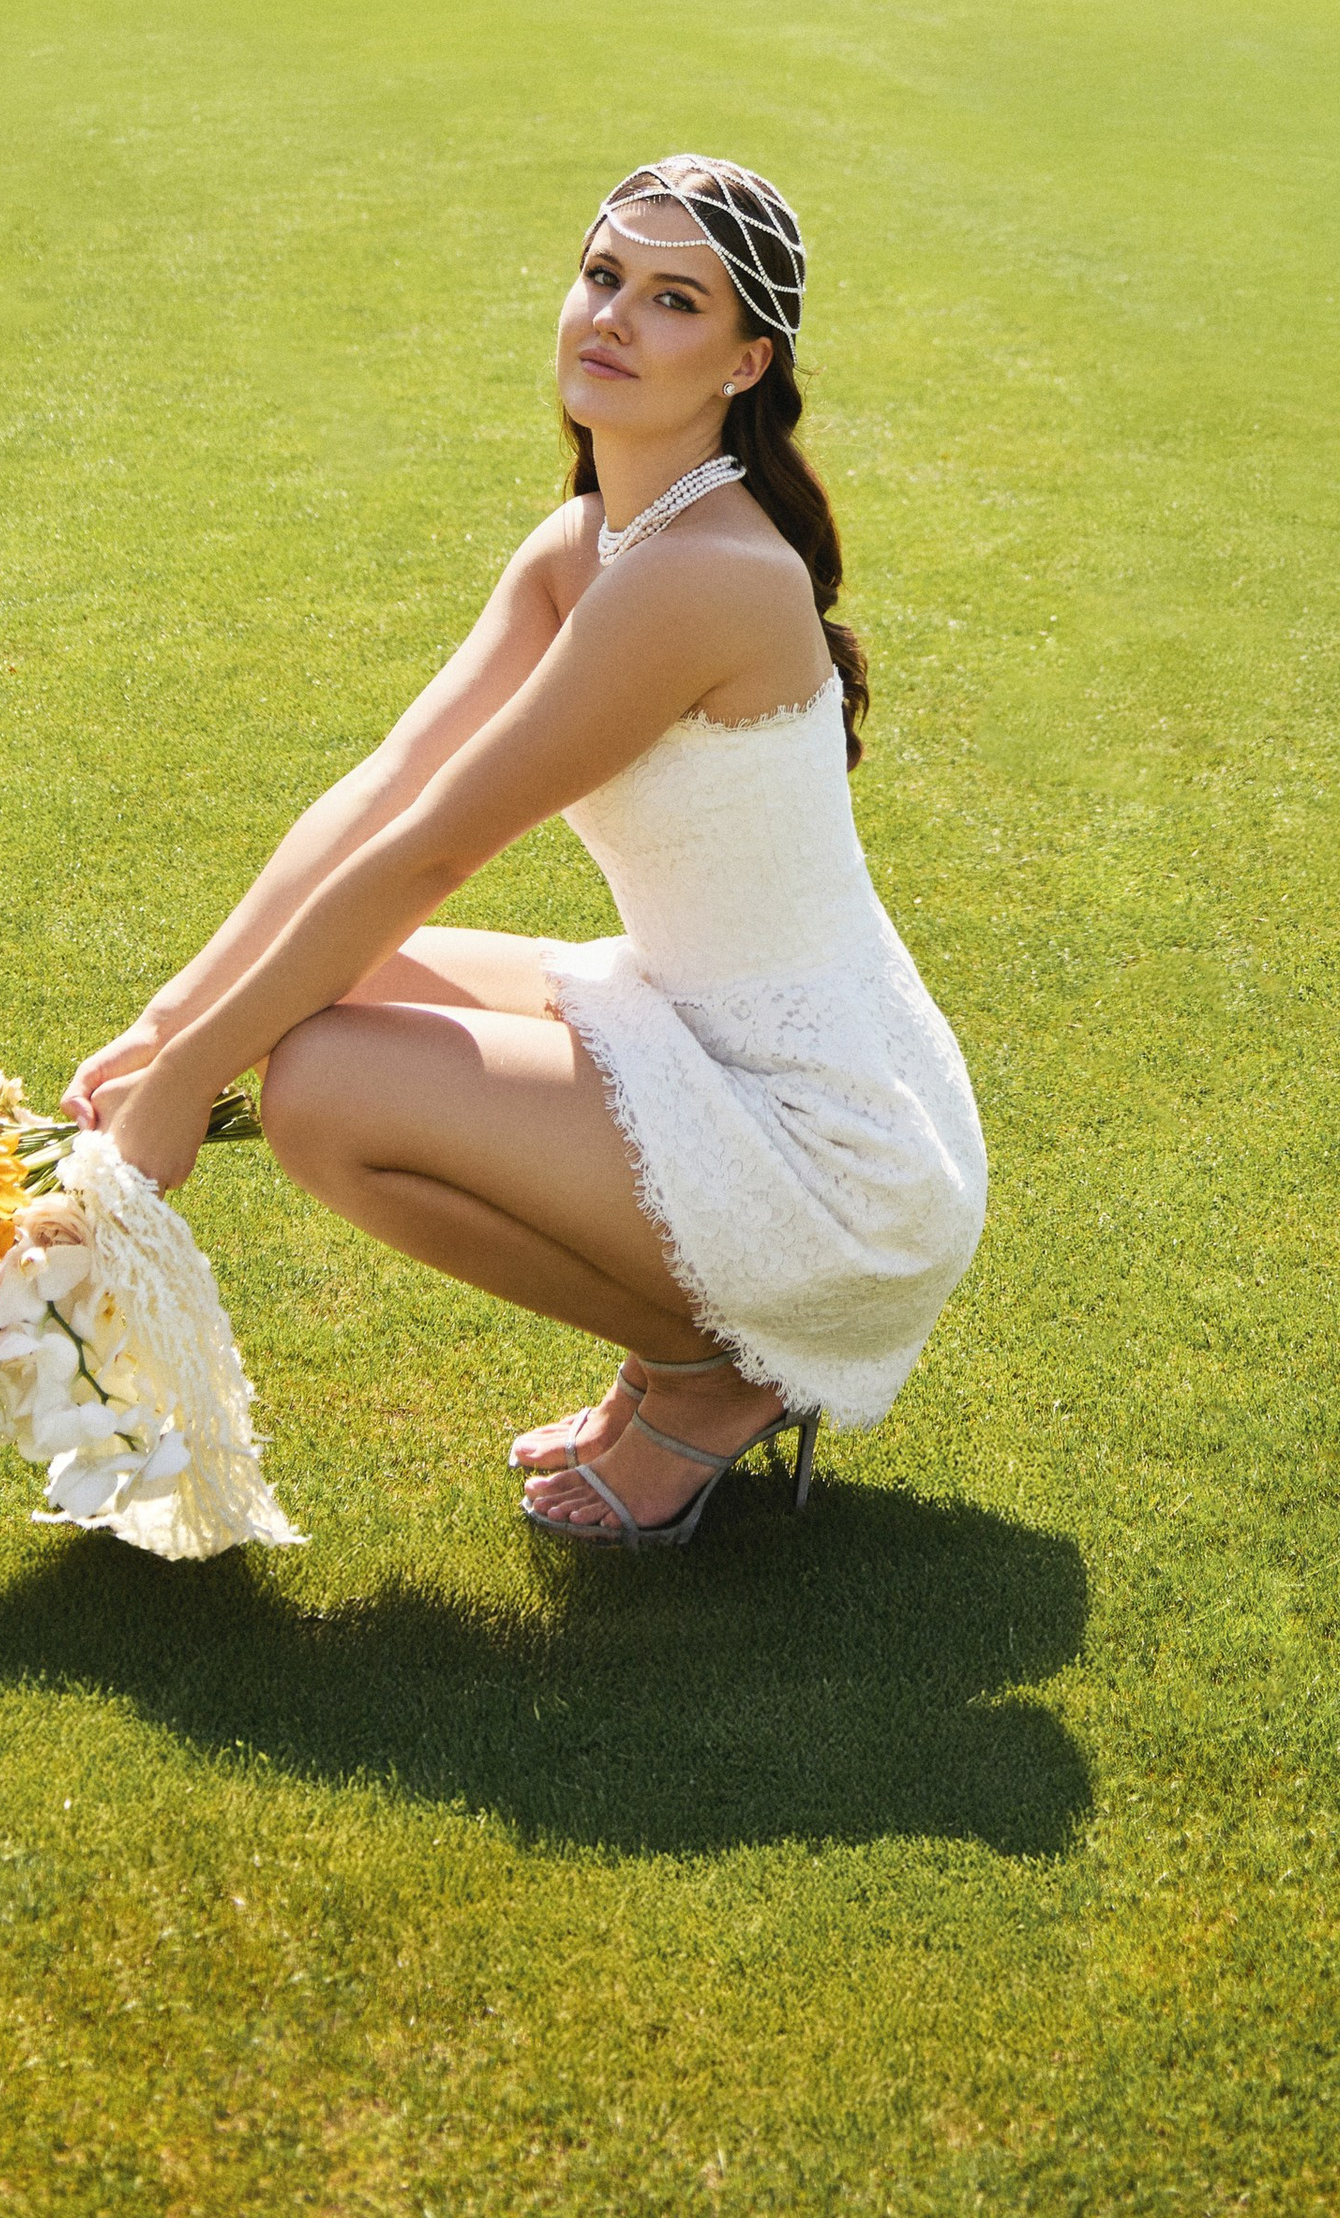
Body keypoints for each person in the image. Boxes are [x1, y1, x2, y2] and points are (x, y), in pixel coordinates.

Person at [64, 155, 987, 1550]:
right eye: (604, 276)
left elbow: (435, 845)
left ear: (744, 363)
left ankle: (710, 1380)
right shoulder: (588, 544)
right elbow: (378, 791)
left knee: (318, 1089)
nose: (613, 317)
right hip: (709, 1037)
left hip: (833, 1149)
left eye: (673, 300)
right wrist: (166, 1030)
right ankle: (688, 1358)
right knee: (349, 988)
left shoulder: (702, 579)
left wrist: (194, 1084)